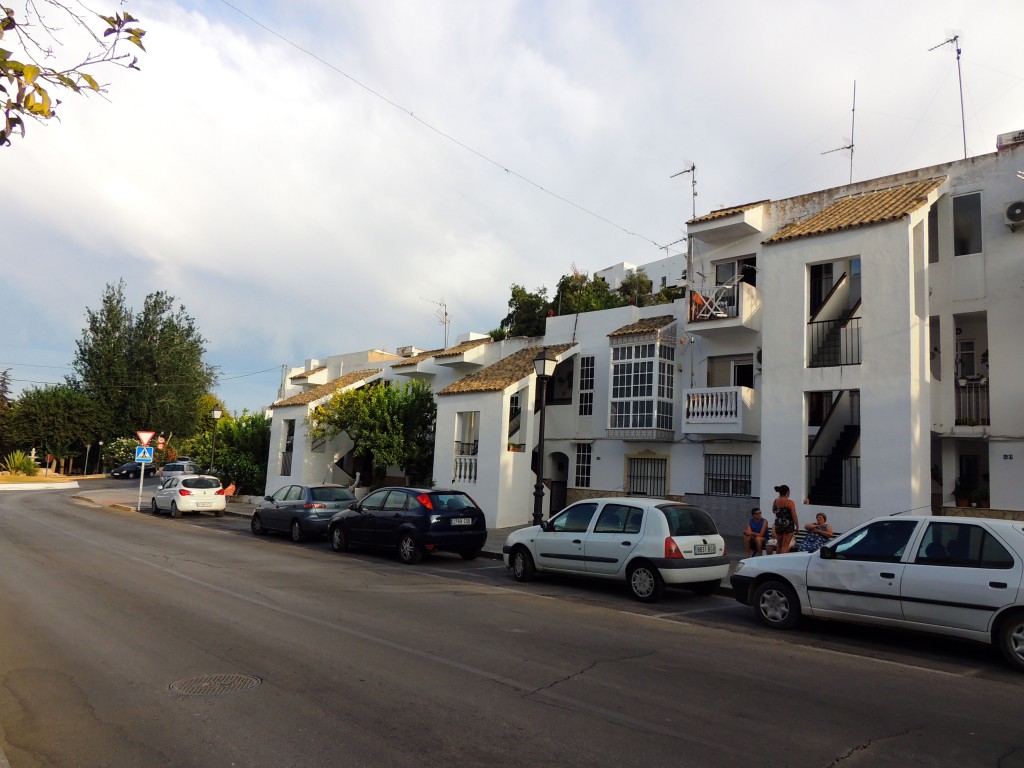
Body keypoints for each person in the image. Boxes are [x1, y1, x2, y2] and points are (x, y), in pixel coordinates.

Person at [771, 484, 798, 554]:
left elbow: (773, 511)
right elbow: (794, 515)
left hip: (778, 524)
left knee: (779, 545)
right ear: (787, 492)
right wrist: (797, 526)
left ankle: (776, 561)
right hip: (788, 524)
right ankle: (781, 562)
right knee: (785, 546)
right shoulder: (790, 502)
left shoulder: (776, 501)